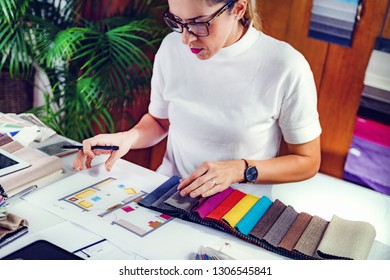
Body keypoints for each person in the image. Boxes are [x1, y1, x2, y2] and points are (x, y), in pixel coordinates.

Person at [73, 0, 321, 199]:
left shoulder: (285, 66)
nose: (186, 38)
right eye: (178, 22)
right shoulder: (171, 48)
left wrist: (239, 169)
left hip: (238, 208)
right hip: (169, 192)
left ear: (238, 9)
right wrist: (127, 138)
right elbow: (160, 122)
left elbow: (307, 162)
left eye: (199, 23)